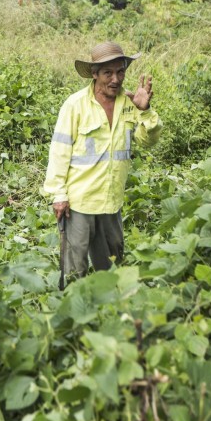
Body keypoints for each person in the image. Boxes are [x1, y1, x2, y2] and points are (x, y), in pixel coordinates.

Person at [43, 42, 162, 279]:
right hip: (78, 203)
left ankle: (110, 309)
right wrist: (59, 195)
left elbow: (147, 142)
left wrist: (145, 110)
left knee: (112, 265)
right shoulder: (75, 105)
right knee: (75, 267)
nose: (115, 79)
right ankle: (76, 307)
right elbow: (59, 150)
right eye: (108, 73)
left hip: (111, 201)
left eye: (120, 72)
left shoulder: (129, 104)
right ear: (95, 74)